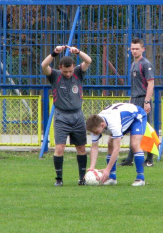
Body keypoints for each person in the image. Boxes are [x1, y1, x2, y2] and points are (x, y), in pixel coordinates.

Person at [41, 45, 92, 186]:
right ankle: (59, 179)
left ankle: (82, 179)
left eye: (70, 71)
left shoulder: (78, 73)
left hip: (77, 117)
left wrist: (78, 52)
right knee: (59, 148)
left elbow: (88, 60)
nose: (68, 74)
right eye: (65, 71)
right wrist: (54, 52)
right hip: (61, 117)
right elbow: (44, 65)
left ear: (73, 67)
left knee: (81, 148)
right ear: (60, 68)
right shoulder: (55, 75)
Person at [85, 102, 147, 186]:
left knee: (134, 144)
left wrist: (107, 169)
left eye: (96, 132)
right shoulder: (95, 124)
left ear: (102, 125)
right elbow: (94, 147)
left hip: (137, 116)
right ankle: (112, 177)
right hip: (121, 120)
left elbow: (117, 149)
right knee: (110, 143)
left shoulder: (113, 124)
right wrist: (92, 168)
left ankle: (140, 178)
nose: (95, 134)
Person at [120, 37, 155, 167]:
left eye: (137, 49)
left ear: (143, 49)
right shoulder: (133, 64)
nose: (134, 51)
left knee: (146, 128)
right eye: (132, 49)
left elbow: (150, 84)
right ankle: (130, 158)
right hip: (134, 100)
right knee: (133, 128)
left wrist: (146, 101)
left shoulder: (145, 64)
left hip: (143, 99)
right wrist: (130, 102)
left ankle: (150, 158)